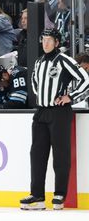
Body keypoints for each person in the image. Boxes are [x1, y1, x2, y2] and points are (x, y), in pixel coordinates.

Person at [21, 29, 89, 211]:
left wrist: (71, 97)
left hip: (59, 113)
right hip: (41, 112)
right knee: (37, 154)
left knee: (60, 154)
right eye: (44, 39)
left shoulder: (64, 60)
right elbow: (34, 82)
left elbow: (85, 79)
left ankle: (60, 194)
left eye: (50, 40)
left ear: (57, 43)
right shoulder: (38, 61)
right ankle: (37, 196)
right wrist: (41, 97)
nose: (46, 43)